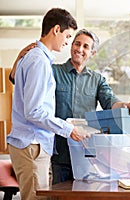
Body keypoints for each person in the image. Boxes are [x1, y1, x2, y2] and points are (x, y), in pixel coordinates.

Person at [9, 29, 130, 185]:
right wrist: (19, 59)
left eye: (86, 46)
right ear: (71, 46)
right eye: (77, 44)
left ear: (92, 53)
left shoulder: (97, 80)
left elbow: (110, 101)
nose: (80, 49)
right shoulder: (52, 71)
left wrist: (123, 105)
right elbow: (22, 84)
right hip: (58, 154)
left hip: (86, 155)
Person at [6, 8, 87, 200]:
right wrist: (68, 129)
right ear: (56, 29)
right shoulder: (39, 60)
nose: (67, 42)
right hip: (32, 144)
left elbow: (17, 82)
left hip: (32, 144)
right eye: (67, 35)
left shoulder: (34, 57)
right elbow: (34, 111)